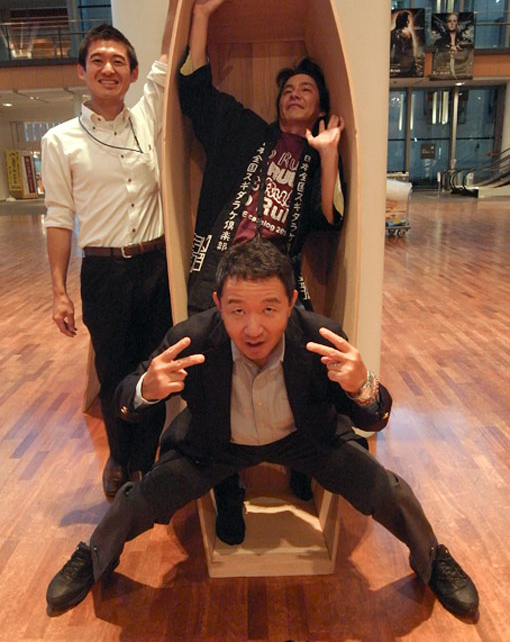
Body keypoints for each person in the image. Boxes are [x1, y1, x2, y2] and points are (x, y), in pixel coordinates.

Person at [46, 240, 479, 620]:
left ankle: (432, 558)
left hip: (306, 441)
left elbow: (373, 418)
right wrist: (146, 388)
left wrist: (363, 386)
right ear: (217, 304)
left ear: (292, 303)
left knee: (387, 489)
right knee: (141, 498)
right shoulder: (191, 339)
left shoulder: (321, 337)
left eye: (269, 308)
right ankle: (94, 557)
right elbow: (124, 401)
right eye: (237, 310)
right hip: (216, 446)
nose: (253, 328)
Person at [178, 0, 346, 538]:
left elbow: (329, 219)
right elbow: (196, 90)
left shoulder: (316, 158)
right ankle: (227, 490)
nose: (294, 94)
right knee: (212, 382)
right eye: (288, 88)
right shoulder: (245, 130)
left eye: (306, 90)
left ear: (319, 108)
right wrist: (200, 18)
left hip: (279, 284)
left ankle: (302, 459)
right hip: (220, 272)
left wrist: (328, 153)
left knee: (307, 368)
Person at [41, 0, 193, 497]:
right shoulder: (60, 141)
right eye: (99, 60)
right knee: (112, 368)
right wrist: (59, 291)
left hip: (154, 265)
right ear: (83, 71)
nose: (109, 68)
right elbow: (59, 218)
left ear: (130, 75)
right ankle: (119, 457)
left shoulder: (147, 115)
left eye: (119, 62)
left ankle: (144, 459)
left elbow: (167, 55)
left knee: (155, 364)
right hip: (103, 271)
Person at [433, 12, 473, 79]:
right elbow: (437, 58)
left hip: (461, 71)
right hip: (444, 72)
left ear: (457, 23)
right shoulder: (439, 42)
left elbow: (468, 56)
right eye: (449, 21)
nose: (452, 23)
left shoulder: (465, 41)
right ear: (446, 23)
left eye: (454, 21)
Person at [390, 10, 418, 77]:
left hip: (407, 62)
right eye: (407, 20)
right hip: (403, 62)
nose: (408, 22)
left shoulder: (394, 33)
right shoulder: (397, 33)